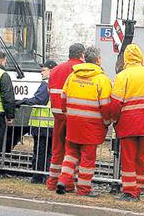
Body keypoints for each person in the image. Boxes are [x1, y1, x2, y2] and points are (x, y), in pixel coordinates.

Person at [108, 44, 144, 201]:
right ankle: (138, 188)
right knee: (141, 158)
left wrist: (114, 119)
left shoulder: (123, 76)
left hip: (128, 123)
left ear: (126, 57)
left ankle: (130, 191)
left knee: (129, 158)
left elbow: (116, 102)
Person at [56, 46, 112, 197]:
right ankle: (83, 189)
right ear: (98, 59)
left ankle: (64, 181)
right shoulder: (102, 79)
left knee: (70, 154)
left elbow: (63, 99)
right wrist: (107, 122)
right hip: (92, 125)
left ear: (84, 58)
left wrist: (68, 115)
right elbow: (106, 106)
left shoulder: (72, 76)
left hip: (73, 123)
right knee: (87, 159)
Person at [45, 43, 85, 191]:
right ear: (82, 55)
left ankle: (52, 181)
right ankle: (68, 183)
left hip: (58, 116)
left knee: (57, 150)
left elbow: (50, 90)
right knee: (73, 151)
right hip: (74, 116)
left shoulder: (55, 70)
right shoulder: (80, 70)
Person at [17, 60, 57, 184]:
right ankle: (46, 175)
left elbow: (39, 100)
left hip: (42, 125)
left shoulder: (46, 84)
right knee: (48, 152)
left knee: (40, 152)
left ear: (51, 71)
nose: (41, 72)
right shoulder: (56, 83)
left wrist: (22, 101)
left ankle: (38, 176)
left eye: (43, 70)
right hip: (50, 125)